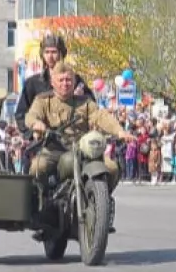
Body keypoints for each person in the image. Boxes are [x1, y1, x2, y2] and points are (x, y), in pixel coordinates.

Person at [25, 60, 133, 198]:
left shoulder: (85, 103)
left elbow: (101, 116)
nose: (65, 83)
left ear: (74, 81)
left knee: (111, 167)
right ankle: (39, 203)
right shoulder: (43, 101)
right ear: (53, 82)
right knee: (37, 168)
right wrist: (36, 124)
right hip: (53, 150)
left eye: (69, 80)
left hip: (82, 150)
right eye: (61, 80)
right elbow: (31, 115)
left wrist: (119, 131)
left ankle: (101, 199)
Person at [15, 32, 75, 124]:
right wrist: (34, 133)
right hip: (42, 134)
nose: (50, 56)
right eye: (47, 52)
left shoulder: (75, 80)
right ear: (42, 54)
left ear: (61, 53)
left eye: (54, 52)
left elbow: (90, 107)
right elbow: (21, 115)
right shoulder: (33, 83)